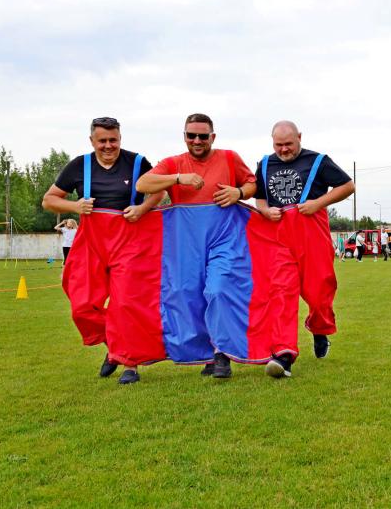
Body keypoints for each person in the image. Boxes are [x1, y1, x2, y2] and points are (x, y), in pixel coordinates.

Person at [43, 117, 164, 384]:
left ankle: (130, 365)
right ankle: (114, 345)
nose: (108, 146)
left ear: (120, 138)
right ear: (92, 141)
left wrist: (142, 208)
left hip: (128, 243)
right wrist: (75, 206)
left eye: (113, 140)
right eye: (102, 141)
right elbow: (49, 200)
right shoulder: (79, 165)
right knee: (81, 307)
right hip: (91, 243)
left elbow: (159, 191)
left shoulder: (137, 162)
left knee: (124, 304)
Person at [137, 113, 258, 378]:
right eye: (191, 135)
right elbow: (143, 183)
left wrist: (238, 192)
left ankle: (222, 354)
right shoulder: (173, 163)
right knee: (188, 295)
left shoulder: (229, 158)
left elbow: (252, 183)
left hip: (225, 239)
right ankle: (208, 355)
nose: (197, 140)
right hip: (187, 244)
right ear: (184, 136)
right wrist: (178, 179)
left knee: (218, 289)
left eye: (203, 136)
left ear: (213, 137)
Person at [248, 120, 355, 378]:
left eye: (288, 144)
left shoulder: (318, 161)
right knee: (281, 292)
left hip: (312, 236)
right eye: (278, 145)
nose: (283, 149)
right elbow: (259, 196)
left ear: (299, 137)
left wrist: (318, 203)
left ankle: (320, 329)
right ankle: (283, 355)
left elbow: (347, 186)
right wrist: (265, 210)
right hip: (278, 239)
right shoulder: (265, 163)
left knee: (319, 293)